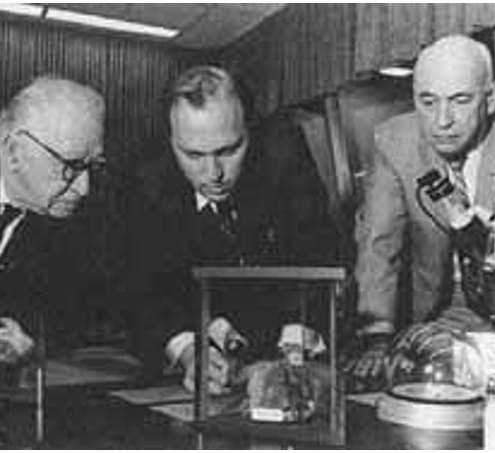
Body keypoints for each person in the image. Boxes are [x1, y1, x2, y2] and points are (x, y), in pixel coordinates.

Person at [348, 35, 495, 382]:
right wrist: (377, 337)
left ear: (490, 99)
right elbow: (378, 245)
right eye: (428, 102)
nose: (442, 121)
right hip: (437, 311)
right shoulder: (394, 142)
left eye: (460, 101)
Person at [117, 65, 338, 393]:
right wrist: (190, 352)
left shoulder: (285, 160)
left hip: (281, 342)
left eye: (228, 151)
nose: (213, 173)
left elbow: (318, 260)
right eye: (192, 155)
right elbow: (142, 296)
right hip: (198, 337)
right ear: (171, 140)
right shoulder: (144, 181)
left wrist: (294, 346)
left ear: (249, 130)